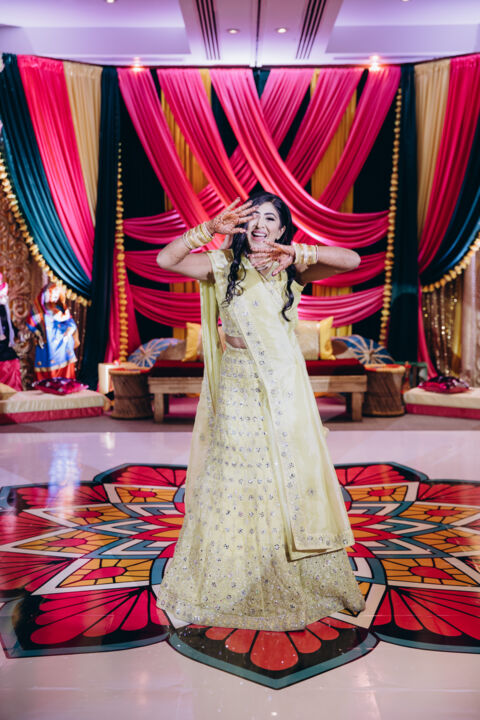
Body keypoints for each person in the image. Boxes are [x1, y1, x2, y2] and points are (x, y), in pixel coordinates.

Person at [155, 192, 365, 631]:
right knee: (234, 475)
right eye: (252, 217)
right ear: (241, 225)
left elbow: (352, 260)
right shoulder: (221, 265)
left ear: (282, 228)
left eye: (270, 218)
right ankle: (228, 579)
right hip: (236, 385)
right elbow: (165, 260)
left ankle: (290, 574)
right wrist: (207, 229)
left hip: (282, 389)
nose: (259, 225)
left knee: (279, 475)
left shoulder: (292, 268)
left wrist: (298, 254)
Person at [26, 284, 80, 380]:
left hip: (63, 345)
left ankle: (64, 385)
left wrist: (69, 331)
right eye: (51, 293)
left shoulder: (61, 309)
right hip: (47, 345)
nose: (54, 296)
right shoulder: (38, 310)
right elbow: (30, 324)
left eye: (56, 294)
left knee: (65, 373)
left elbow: (71, 323)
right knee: (46, 374)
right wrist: (38, 334)